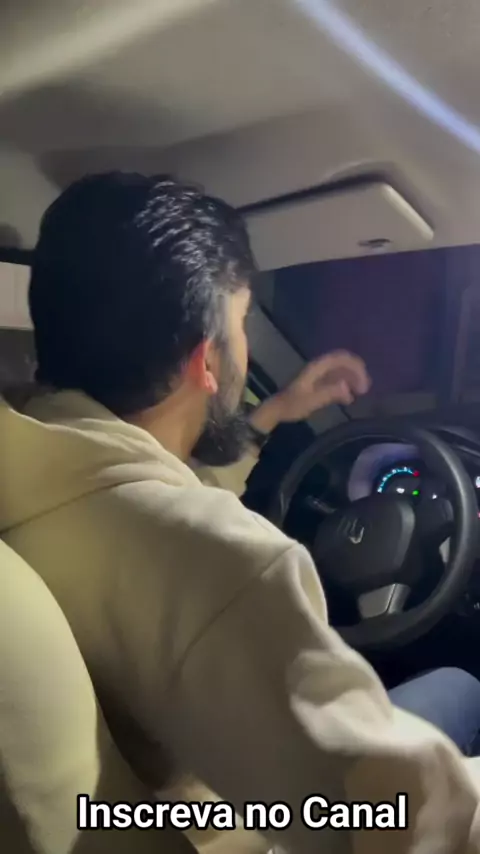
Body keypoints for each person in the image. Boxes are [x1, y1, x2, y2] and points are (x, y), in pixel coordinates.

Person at [2, 172, 480, 853]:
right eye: (241, 322)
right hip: (244, 833)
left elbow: (141, 489)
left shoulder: (32, 471)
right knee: (461, 685)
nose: (245, 345)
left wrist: (274, 414)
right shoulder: (230, 565)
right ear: (206, 360)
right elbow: (391, 824)